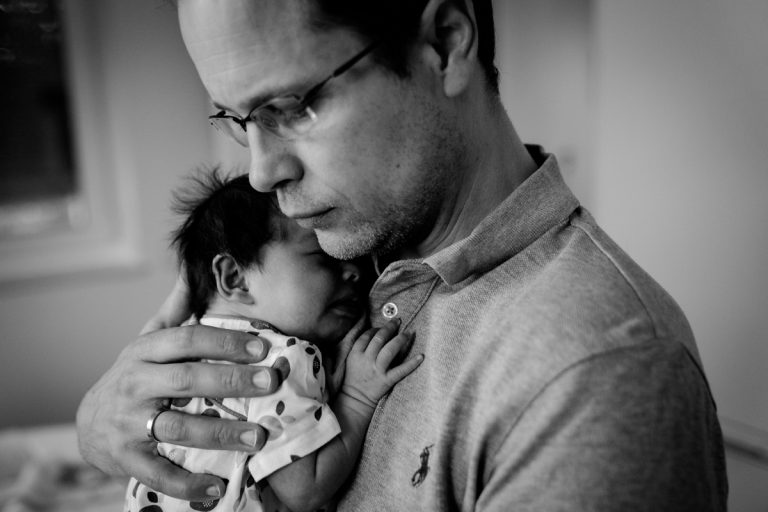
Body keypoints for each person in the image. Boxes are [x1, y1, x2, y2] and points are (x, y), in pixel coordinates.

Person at [77, 0, 728, 510]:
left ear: (444, 43)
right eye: (237, 120)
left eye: (292, 107)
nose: (261, 172)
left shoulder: (593, 375)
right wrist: (104, 424)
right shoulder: (337, 255)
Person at [125, 170, 422, 512]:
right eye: (324, 258)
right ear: (235, 278)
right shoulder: (279, 358)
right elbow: (304, 490)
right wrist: (356, 398)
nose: (354, 274)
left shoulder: (175, 345)